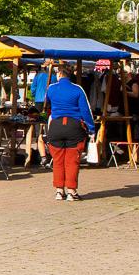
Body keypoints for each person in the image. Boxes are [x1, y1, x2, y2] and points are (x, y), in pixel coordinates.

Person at [45, 63, 94, 201]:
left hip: (56, 126)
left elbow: (47, 103)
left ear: (59, 74)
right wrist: (91, 128)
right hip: (74, 127)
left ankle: (59, 191)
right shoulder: (78, 89)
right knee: (72, 161)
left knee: (58, 160)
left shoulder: (51, 88)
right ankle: (72, 191)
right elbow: (86, 110)